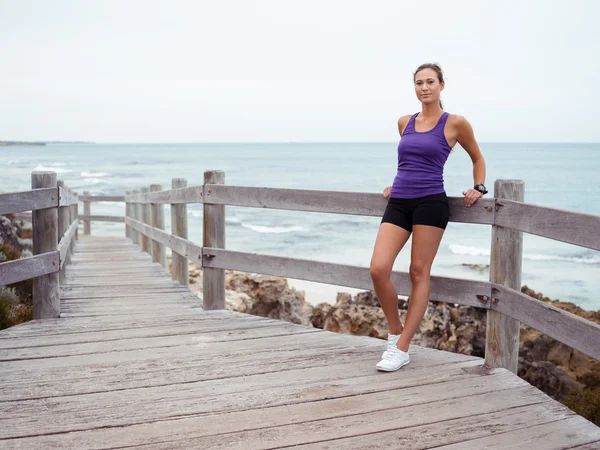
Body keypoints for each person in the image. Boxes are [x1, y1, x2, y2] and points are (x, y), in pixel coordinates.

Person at [370, 63, 487, 372]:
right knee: (378, 268)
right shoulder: (404, 122)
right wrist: (396, 184)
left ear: (441, 85)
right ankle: (394, 331)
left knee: (418, 272)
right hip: (398, 202)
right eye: (419, 82)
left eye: (430, 82)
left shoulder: (455, 123)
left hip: (430, 203)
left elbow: (477, 157)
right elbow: (409, 161)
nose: (425, 87)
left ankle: (402, 347)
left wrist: (479, 187)